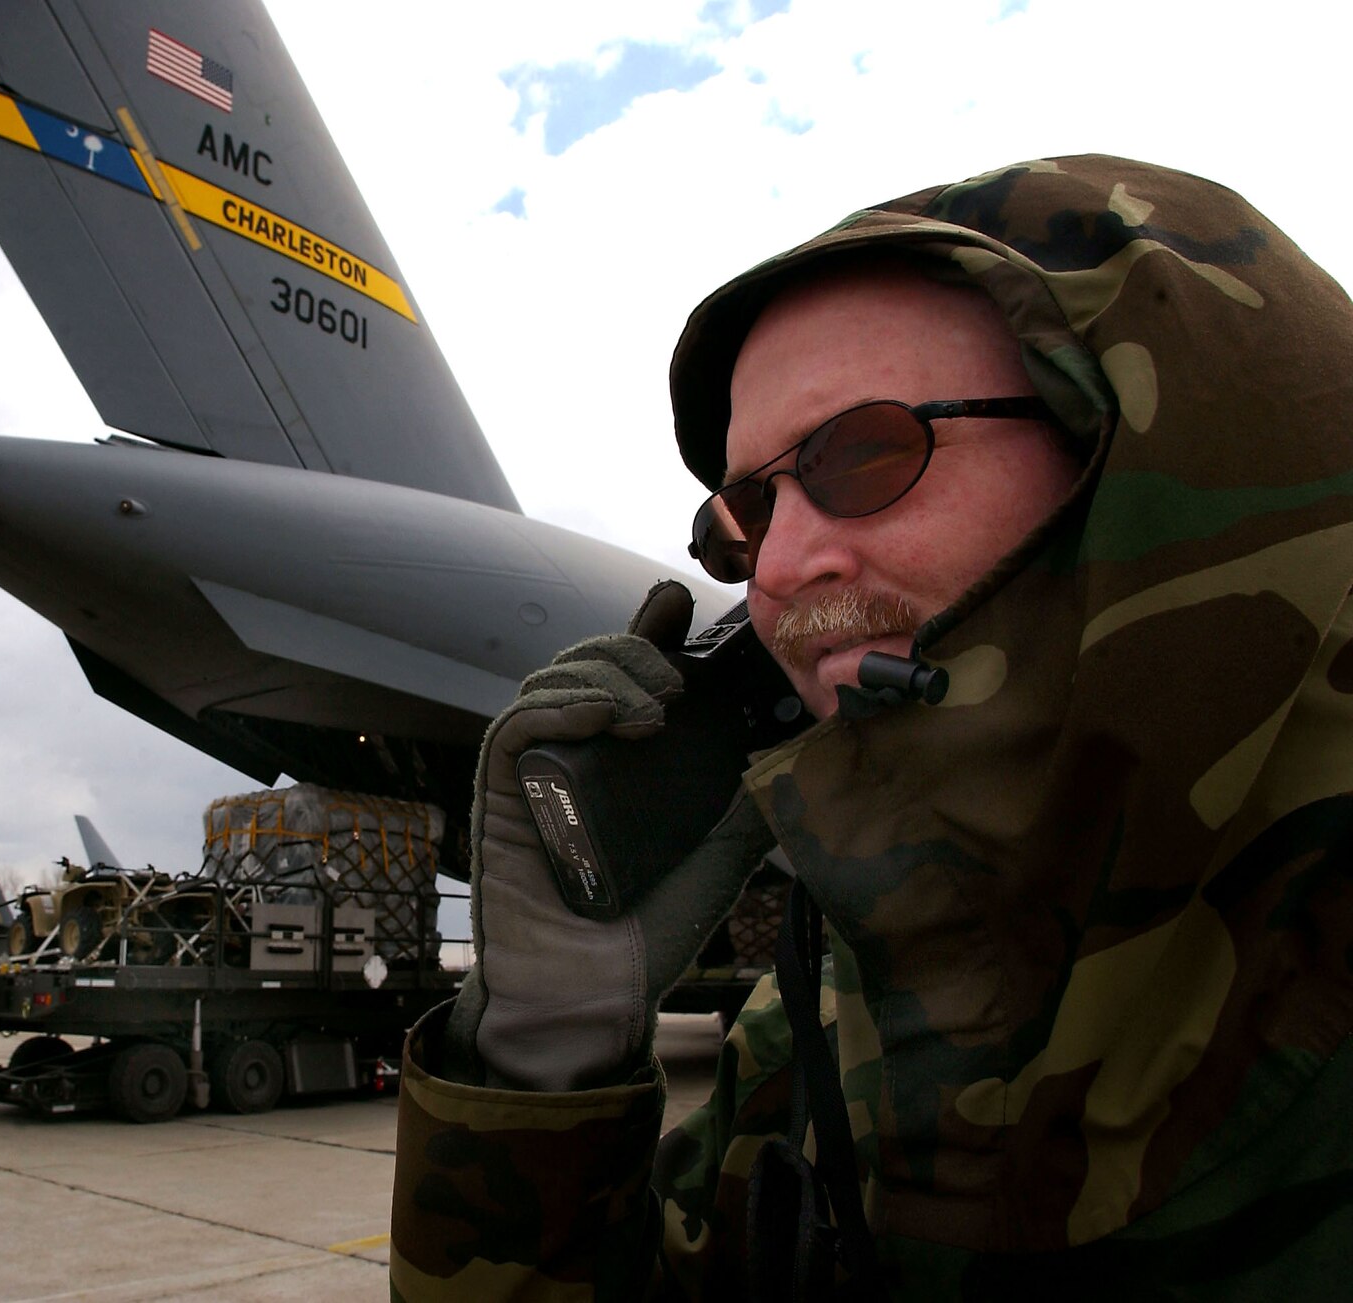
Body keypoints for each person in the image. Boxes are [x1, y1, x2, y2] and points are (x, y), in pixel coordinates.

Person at [391, 155, 1353, 1299]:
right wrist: (543, 1060)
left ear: (1146, 453)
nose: (781, 568)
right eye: (742, 515)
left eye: (863, 455)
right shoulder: (826, 1015)